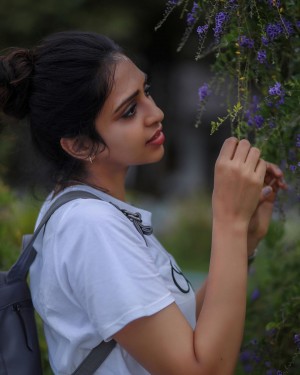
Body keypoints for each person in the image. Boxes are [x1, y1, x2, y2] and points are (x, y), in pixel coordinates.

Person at [0, 31, 287, 375]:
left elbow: (179, 335)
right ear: (79, 145)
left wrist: (242, 241)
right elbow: (203, 370)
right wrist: (228, 220)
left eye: (146, 92)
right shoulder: (90, 225)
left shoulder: (89, 211)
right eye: (130, 110)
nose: (156, 113)